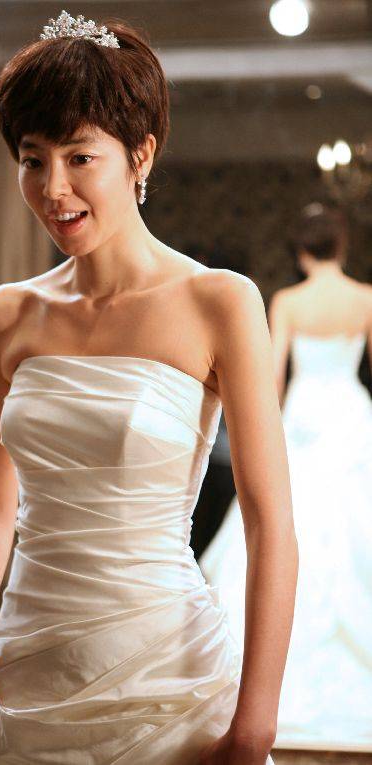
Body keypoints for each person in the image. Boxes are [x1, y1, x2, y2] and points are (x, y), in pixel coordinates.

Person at [0, 10, 297, 764]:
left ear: (141, 154)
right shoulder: (5, 316)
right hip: (32, 672)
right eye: (32, 159)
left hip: (168, 680)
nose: (53, 188)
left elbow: (270, 523)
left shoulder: (220, 302)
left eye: (79, 156)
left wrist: (257, 720)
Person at [199, 202, 372, 748]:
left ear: (300, 250)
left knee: (286, 520)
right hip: (351, 414)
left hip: (304, 415)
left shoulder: (289, 301)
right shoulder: (365, 298)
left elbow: (271, 378)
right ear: (341, 245)